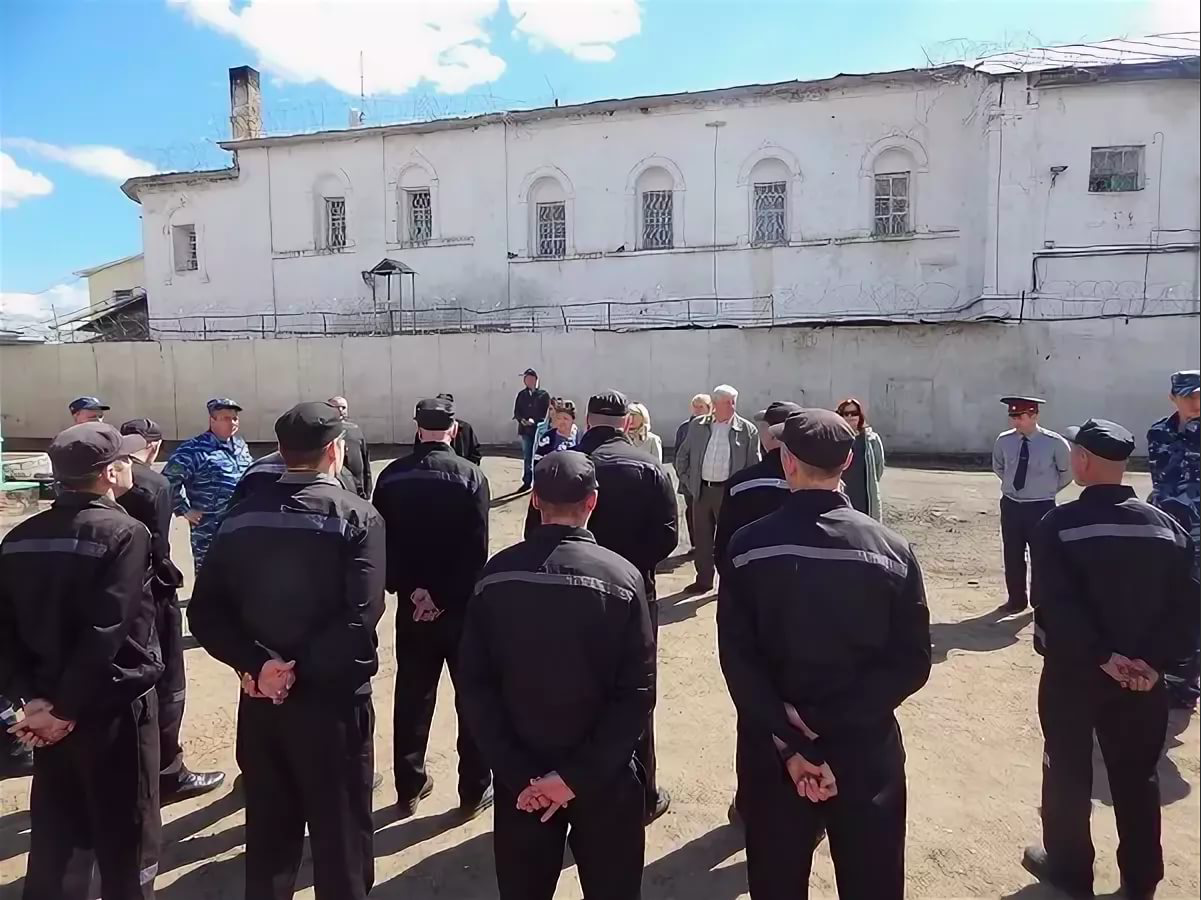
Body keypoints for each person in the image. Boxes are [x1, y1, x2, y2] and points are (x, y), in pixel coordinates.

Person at [717, 408, 931, 899]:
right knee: (872, 883)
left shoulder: (748, 547)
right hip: (864, 751)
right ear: (848, 462)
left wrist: (795, 741)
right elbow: (912, 662)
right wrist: (831, 724)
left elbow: (738, 659)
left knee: (776, 882)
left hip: (775, 750)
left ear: (786, 461)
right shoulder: (892, 550)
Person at [188, 401, 386, 900]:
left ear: (280, 450)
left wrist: (261, 667)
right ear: (335, 451)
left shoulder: (239, 517)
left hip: (263, 702)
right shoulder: (358, 516)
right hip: (333, 704)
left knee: (270, 833)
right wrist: (294, 672)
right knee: (342, 835)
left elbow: (206, 613)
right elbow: (360, 616)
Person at [459, 451, 656, 900]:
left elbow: (474, 686)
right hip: (605, 777)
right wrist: (575, 776)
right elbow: (638, 692)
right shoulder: (623, 578)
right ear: (592, 502)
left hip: (523, 779)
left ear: (535, 500)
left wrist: (519, 772)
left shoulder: (495, 575)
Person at [1024, 418, 1198, 900]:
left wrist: (1103, 656)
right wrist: (1154, 664)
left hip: (1073, 676)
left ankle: (1070, 872)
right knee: (1137, 776)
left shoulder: (1058, 525)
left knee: (1066, 771)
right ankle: (1141, 880)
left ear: (1082, 461)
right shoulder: (1168, 528)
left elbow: (1054, 604)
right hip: (1143, 681)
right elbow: (1188, 607)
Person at [0, 422, 163, 900]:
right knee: (126, 831)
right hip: (110, 707)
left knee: (59, 831)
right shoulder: (125, 532)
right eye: (123, 460)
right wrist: (66, 709)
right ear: (109, 473)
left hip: (46, 708)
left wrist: (32, 702)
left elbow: (4, 631)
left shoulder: (19, 537)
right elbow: (107, 630)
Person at [372, 397, 493, 818]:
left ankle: (409, 785)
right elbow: (476, 551)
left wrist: (414, 591)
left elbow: (381, 544)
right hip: (460, 607)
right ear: (453, 430)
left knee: (412, 694)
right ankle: (474, 789)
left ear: (417, 427)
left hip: (413, 605)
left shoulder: (391, 476)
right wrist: (441, 596)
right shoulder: (471, 476)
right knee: (471, 695)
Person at [565, 390, 677, 822]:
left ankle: (574, 790)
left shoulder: (565, 465)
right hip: (634, 595)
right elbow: (667, 536)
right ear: (627, 423)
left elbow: (539, 528)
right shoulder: (649, 466)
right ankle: (642, 795)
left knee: (575, 688)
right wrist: (627, 569)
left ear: (588, 420)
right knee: (635, 692)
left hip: (572, 593)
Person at [118, 417, 226, 802]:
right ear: (154, 447)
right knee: (167, 686)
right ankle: (168, 772)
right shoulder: (153, 485)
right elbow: (159, 548)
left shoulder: (95, 479)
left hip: (106, 601)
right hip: (150, 598)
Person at [1147, 369, 1200, 712]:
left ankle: (1186, 685)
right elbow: (1159, 479)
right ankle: (1167, 674)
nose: (1196, 403)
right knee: (1167, 603)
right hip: (1167, 530)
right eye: (1189, 396)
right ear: (1173, 398)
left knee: (1195, 608)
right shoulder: (1159, 432)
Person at [675, 384, 761, 594]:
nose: (732, 406)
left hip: (729, 494)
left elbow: (754, 465)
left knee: (728, 539)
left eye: (733, 402)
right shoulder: (698, 426)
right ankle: (704, 580)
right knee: (702, 540)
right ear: (714, 405)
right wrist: (689, 481)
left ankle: (729, 583)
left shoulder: (747, 430)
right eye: (726, 403)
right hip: (701, 491)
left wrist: (744, 493)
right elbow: (682, 455)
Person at [991, 396, 1072, 613]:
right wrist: (1013, 486)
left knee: (1042, 555)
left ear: (1034, 415)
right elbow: (999, 467)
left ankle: (1040, 601)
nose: (1015, 422)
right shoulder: (1004, 441)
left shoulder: (1054, 443)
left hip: (1041, 506)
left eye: (1020, 417)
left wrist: (1046, 490)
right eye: (1013, 417)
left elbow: (1066, 473)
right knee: (1012, 553)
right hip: (1011, 505)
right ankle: (1016, 600)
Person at [163, 398, 253, 574]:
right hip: (209, 527)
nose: (232, 423)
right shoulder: (193, 449)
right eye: (226, 418)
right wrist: (183, 509)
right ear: (212, 420)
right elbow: (167, 481)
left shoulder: (241, 446)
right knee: (209, 574)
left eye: (235, 418)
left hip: (239, 522)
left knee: (239, 573)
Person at [714, 401, 802, 580]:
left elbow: (724, 547)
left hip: (750, 581)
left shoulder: (740, 484)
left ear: (771, 435)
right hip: (803, 583)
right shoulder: (820, 480)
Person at [835, 397, 886, 520]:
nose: (850, 417)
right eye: (845, 414)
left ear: (860, 416)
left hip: (863, 495)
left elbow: (878, 467)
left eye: (854, 413)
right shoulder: (834, 438)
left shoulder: (871, 439)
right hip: (841, 494)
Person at [675, 393, 712, 551]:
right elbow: (678, 455)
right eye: (695, 406)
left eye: (701, 407)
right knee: (691, 511)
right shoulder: (685, 428)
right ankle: (695, 544)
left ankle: (710, 544)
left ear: (709, 408)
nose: (697, 410)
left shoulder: (714, 426)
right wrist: (684, 477)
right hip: (689, 479)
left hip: (709, 477)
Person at [513, 368, 551, 491]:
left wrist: (536, 421)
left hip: (538, 431)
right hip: (525, 430)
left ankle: (539, 481)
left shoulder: (543, 395)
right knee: (527, 457)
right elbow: (517, 411)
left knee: (539, 456)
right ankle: (527, 481)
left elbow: (546, 413)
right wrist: (522, 420)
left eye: (531, 379)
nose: (529, 381)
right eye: (526, 379)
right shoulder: (522, 395)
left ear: (536, 380)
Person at [329, 395, 373, 499]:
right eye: (336, 407)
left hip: (358, 488)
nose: (340, 410)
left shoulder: (355, 430)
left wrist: (367, 489)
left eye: (343, 407)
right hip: (337, 489)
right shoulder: (323, 432)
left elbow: (365, 458)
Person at [532, 398, 578, 466]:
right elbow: (537, 460)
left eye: (565, 419)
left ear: (573, 420)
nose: (562, 422)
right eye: (559, 418)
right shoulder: (548, 437)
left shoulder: (578, 437)